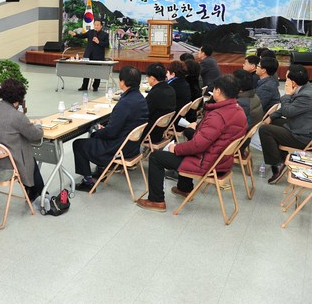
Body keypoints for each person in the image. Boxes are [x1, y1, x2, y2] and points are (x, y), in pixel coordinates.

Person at [137, 75, 247, 212]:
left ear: (218, 91)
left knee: (156, 157)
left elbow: (198, 146)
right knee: (190, 139)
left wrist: (176, 148)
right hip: (221, 160)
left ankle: (156, 200)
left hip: (206, 162)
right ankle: (184, 188)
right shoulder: (238, 110)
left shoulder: (217, 116)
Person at [72, 66, 149, 191]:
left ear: (122, 82)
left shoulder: (125, 103)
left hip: (118, 148)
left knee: (79, 144)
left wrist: (98, 132)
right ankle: (101, 170)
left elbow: (111, 133)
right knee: (98, 132)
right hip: (133, 146)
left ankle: (87, 181)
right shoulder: (140, 99)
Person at [0, 79, 45, 201]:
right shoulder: (18, 117)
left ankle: (35, 191)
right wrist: (39, 125)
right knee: (29, 156)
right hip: (8, 164)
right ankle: (37, 192)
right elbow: (36, 135)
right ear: (19, 99)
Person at [259, 65, 312, 184]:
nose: (285, 81)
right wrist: (271, 117)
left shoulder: (306, 96)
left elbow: (288, 111)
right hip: (298, 125)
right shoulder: (305, 87)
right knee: (274, 122)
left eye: (287, 78)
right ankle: (281, 157)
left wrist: (287, 95)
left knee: (264, 130)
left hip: (302, 136)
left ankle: (277, 164)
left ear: (293, 82)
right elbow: (288, 108)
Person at [68, 19, 110, 91]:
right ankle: (84, 86)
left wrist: (98, 42)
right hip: (88, 55)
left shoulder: (105, 34)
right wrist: (75, 34)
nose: (96, 26)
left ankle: (95, 87)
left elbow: (106, 45)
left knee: (97, 72)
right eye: (95, 25)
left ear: (101, 26)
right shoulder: (91, 32)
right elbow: (82, 36)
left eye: (98, 25)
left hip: (98, 56)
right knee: (86, 71)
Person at [144, 62, 176, 144]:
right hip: (162, 129)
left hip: (151, 133)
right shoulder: (170, 89)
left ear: (153, 78)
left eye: (147, 77)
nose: (147, 79)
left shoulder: (155, 93)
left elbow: (144, 113)